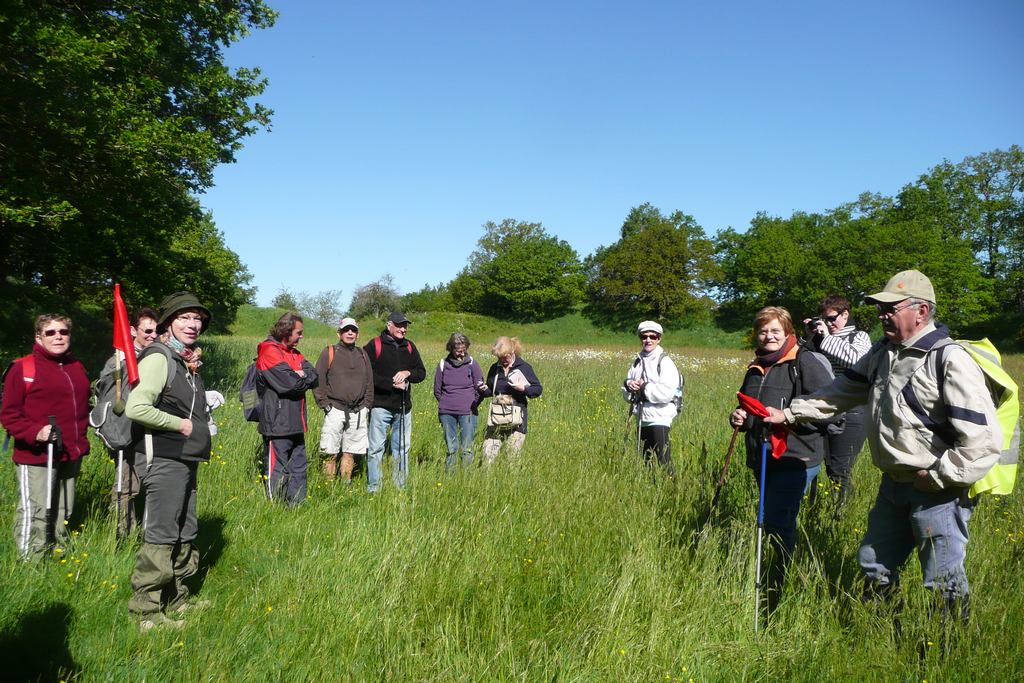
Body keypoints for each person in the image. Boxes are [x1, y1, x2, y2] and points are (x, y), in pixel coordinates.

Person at [764, 270, 1001, 620]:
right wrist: (789, 414)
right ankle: (889, 634)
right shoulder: (883, 353)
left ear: (921, 312)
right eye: (880, 308)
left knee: (942, 580)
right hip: (893, 486)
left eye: (891, 308)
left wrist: (937, 477)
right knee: (873, 567)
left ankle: (949, 653)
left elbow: (983, 441)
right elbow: (840, 393)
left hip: (938, 490)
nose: (881, 314)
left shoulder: (949, 359)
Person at [729, 306, 833, 613]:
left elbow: (825, 410)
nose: (769, 336)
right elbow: (751, 408)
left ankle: (774, 590)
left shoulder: (805, 362)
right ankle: (772, 576)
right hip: (762, 456)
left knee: (776, 521)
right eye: (763, 331)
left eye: (775, 330)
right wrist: (739, 417)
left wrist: (786, 418)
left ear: (788, 332)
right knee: (769, 519)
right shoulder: (755, 366)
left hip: (796, 455)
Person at [125, 292, 214, 630]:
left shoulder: (185, 361)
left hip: (185, 459)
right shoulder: (160, 358)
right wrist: (180, 424)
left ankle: (177, 597)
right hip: (164, 459)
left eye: (197, 319)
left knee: (185, 529)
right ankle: (146, 611)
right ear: (168, 323)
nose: (193, 324)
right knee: (162, 533)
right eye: (185, 318)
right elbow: (136, 408)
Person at [1, 314, 90, 560]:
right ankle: (31, 562)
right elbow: (9, 415)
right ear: (38, 337)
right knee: (36, 510)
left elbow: (82, 406)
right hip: (37, 454)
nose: (58, 336)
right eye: (50, 333)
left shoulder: (76, 366)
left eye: (63, 331)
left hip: (70, 451)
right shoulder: (23, 368)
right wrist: (35, 432)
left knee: (64, 510)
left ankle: (59, 554)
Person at [96, 306, 159, 540]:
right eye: (148, 330)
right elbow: (107, 397)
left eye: (156, 331)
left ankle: (150, 532)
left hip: (153, 432)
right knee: (126, 486)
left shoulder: (156, 355)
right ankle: (122, 535)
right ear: (133, 330)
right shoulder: (119, 360)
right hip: (126, 432)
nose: (152, 335)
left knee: (150, 483)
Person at [803, 295, 872, 505]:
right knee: (811, 464)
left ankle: (841, 514)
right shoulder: (820, 338)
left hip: (852, 412)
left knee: (839, 470)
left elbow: (857, 361)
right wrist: (808, 337)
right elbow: (802, 361)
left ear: (845, 314)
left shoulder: (859, 337)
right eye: (823, 319)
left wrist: (826, 338)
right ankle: (808, 509)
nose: (828, 323)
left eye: (832, 318)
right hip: (821, 409)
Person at [256, 312, 319, 505]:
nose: (301, 336)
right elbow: (291, 385)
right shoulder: (269, 350)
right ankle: (275, 507)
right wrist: (299, 375)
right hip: (277, 422)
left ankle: (297, 506)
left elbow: (315, 376)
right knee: (278, 468)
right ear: (286, 331)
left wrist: (301, 375)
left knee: (299, 466)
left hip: (297, 422)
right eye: (299, 333)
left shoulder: (294, 353)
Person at [364, 312, 426, 492]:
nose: (403, 329)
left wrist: (408, 374)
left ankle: (400, 487)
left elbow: (421, 373)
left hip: (403, 407)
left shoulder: (409, 346)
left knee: (402, 449)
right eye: (399, 325)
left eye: (405, 325)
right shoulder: (374, 345)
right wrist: (391, 383)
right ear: (389, 325)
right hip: (380, 406)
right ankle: (374, 488)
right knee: (375, 449)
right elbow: (367, 375)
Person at [313, 317, 373, 484]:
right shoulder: (329, 352)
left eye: (353, 330)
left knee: (350, 452)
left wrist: (367, 406)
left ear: (358, 334)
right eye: (346, 330)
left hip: (358, 411)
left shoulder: (362, 354)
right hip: (335, 409)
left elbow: (369, 382)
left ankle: (345, 486)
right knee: (330, 452)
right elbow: (318, 380)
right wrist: (325, 405)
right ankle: (328, 487)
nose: (350, 333)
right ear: (338, 333)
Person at [622, 320, 682, 476]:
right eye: (644, 336)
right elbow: (626, 392)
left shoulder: (665, 362)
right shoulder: (637, 361)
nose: (648, 340)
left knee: (663, 461)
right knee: (646, 463)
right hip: (641, 418)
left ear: (659, 338)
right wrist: (629, 386)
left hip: (660, 418)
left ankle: (673, 490)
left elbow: (667, 393)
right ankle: (650, 490)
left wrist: (644, 388)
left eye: (652, 336)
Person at [480, 336, 543, 463]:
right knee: (487, 456)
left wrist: (523, 389)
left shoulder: (524, 367)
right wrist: (483, 389)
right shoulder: (494, 368)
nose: (503, 360)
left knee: (512, 458)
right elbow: (490, 391)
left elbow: (537, 390)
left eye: (505, 357)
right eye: (499, 358)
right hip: (496, 419)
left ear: (512, 352)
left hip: (517, 420)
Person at [434, 332, 485, 470]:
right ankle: (451, 475)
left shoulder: (473, 364)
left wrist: (470, 404)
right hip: (446, 413)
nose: (462, 354)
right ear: (451, 349)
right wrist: (447, 402)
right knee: (451, 447)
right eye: (458, 351)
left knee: (467, 447)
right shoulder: (443, 364)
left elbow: (480, 389)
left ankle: (466, 477)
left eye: (464, 351)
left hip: (468, 412)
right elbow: (437, 390)